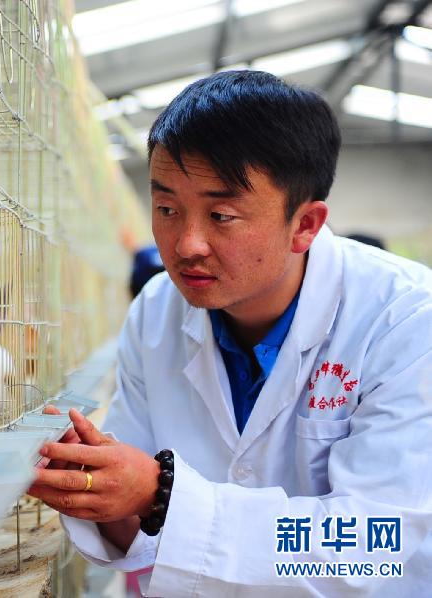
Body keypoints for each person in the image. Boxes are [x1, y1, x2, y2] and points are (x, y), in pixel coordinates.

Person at [27, 70, 432, 596]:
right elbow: (142, 537)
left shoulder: (405, 319)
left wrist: (159, 494)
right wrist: (96, 484)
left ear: (305, 225)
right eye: (167, 209)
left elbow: (375, 545)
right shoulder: (157, 311)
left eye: (221, 215)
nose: (187, 243)